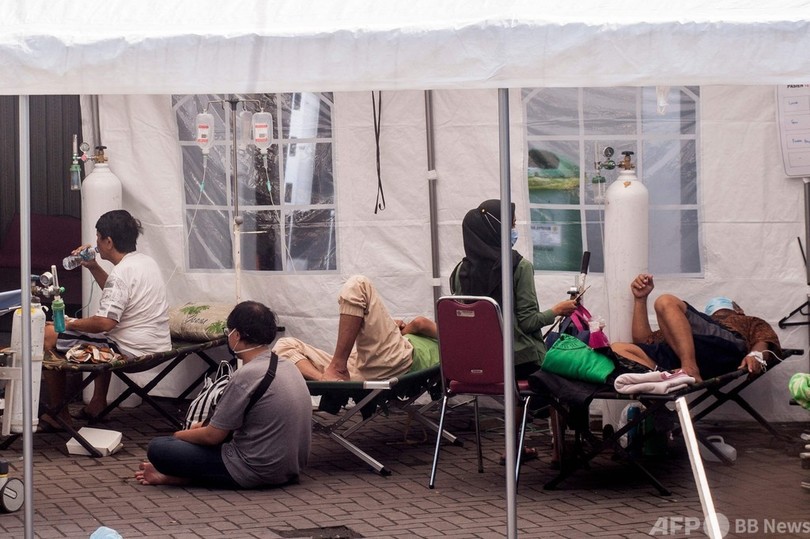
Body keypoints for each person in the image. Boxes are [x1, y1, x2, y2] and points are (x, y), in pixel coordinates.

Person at [450, 199, 578, 463]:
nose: (515, 229)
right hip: (518, 363)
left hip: (477, 365)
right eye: (512, 224)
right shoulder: (519, 267)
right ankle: (560, 451)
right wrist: (558, 310)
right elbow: (529, 322)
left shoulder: (460, 271)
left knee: (517, 383)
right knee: (561, 373)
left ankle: (514, 448)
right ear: (496, 229)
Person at [135, 301, 311, 488]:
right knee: (194, 437)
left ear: (236, 335)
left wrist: (179, 435)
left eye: (228, 332)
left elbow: (213, 436)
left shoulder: (246, 375)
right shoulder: (287, 365)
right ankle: (178, 475)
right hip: (290, 468)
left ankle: (179, 477)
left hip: (257, 469)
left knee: (160, 448)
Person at [41, 209, 171, 429]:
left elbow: (105, 322)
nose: (96, 244)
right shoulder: (145, 262)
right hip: (156, 345)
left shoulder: (122, 274)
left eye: (98, 238)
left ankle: (59, 414)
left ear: (109, 242)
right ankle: (97, 404)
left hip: (132, 351)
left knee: (47, 334)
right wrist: (93, 266)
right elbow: (117, 294)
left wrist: (68, 322)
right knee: (99, 334)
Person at [610, 273, 783, 383]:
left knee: (664, 301)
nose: (718, 311)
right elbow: (644, 341)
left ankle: (689, 369)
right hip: (683, 354)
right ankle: (665, 376)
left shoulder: (748, 321)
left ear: (739, 310)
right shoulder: (681, 326)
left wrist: (755, 355)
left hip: (723, 350)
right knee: (616, 348)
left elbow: (763, 339)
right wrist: (640, 299)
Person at [272, 274, 438, 382]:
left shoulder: (449, 339)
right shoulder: (446, 340)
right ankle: (327, 379)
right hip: (359, 369)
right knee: (284, 345)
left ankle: (337, 367)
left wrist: (401, 330)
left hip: (398, 359)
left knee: (359, 285)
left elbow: (420, 323)